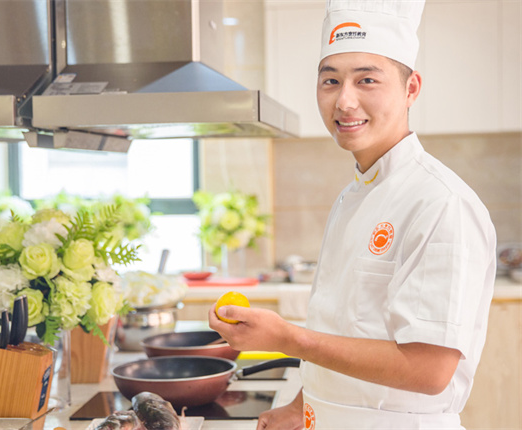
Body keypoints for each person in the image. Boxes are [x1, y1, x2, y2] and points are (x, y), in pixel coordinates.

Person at [208, 1, 497, 429]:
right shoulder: (353, 196)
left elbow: (429, 370)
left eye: (367, 80)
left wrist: (287, 338)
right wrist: (301, 405)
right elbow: (343, 328)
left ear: (411, 88)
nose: (345, 101)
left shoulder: (441, 203)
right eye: (331, 80)